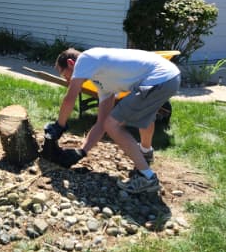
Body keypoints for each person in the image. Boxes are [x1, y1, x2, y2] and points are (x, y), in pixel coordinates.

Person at [44, 47, 181, 194]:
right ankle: (145, 152)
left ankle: (147, 178)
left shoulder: (85, 58)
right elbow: (101, 123)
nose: (67, 79)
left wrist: (59, 125)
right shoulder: (102, 82)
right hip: (169, 77)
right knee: (129, 119)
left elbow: (70, 97)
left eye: (65, 74)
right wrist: (82, 151)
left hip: (159, 78)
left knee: (113, 125)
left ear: (71, 63)